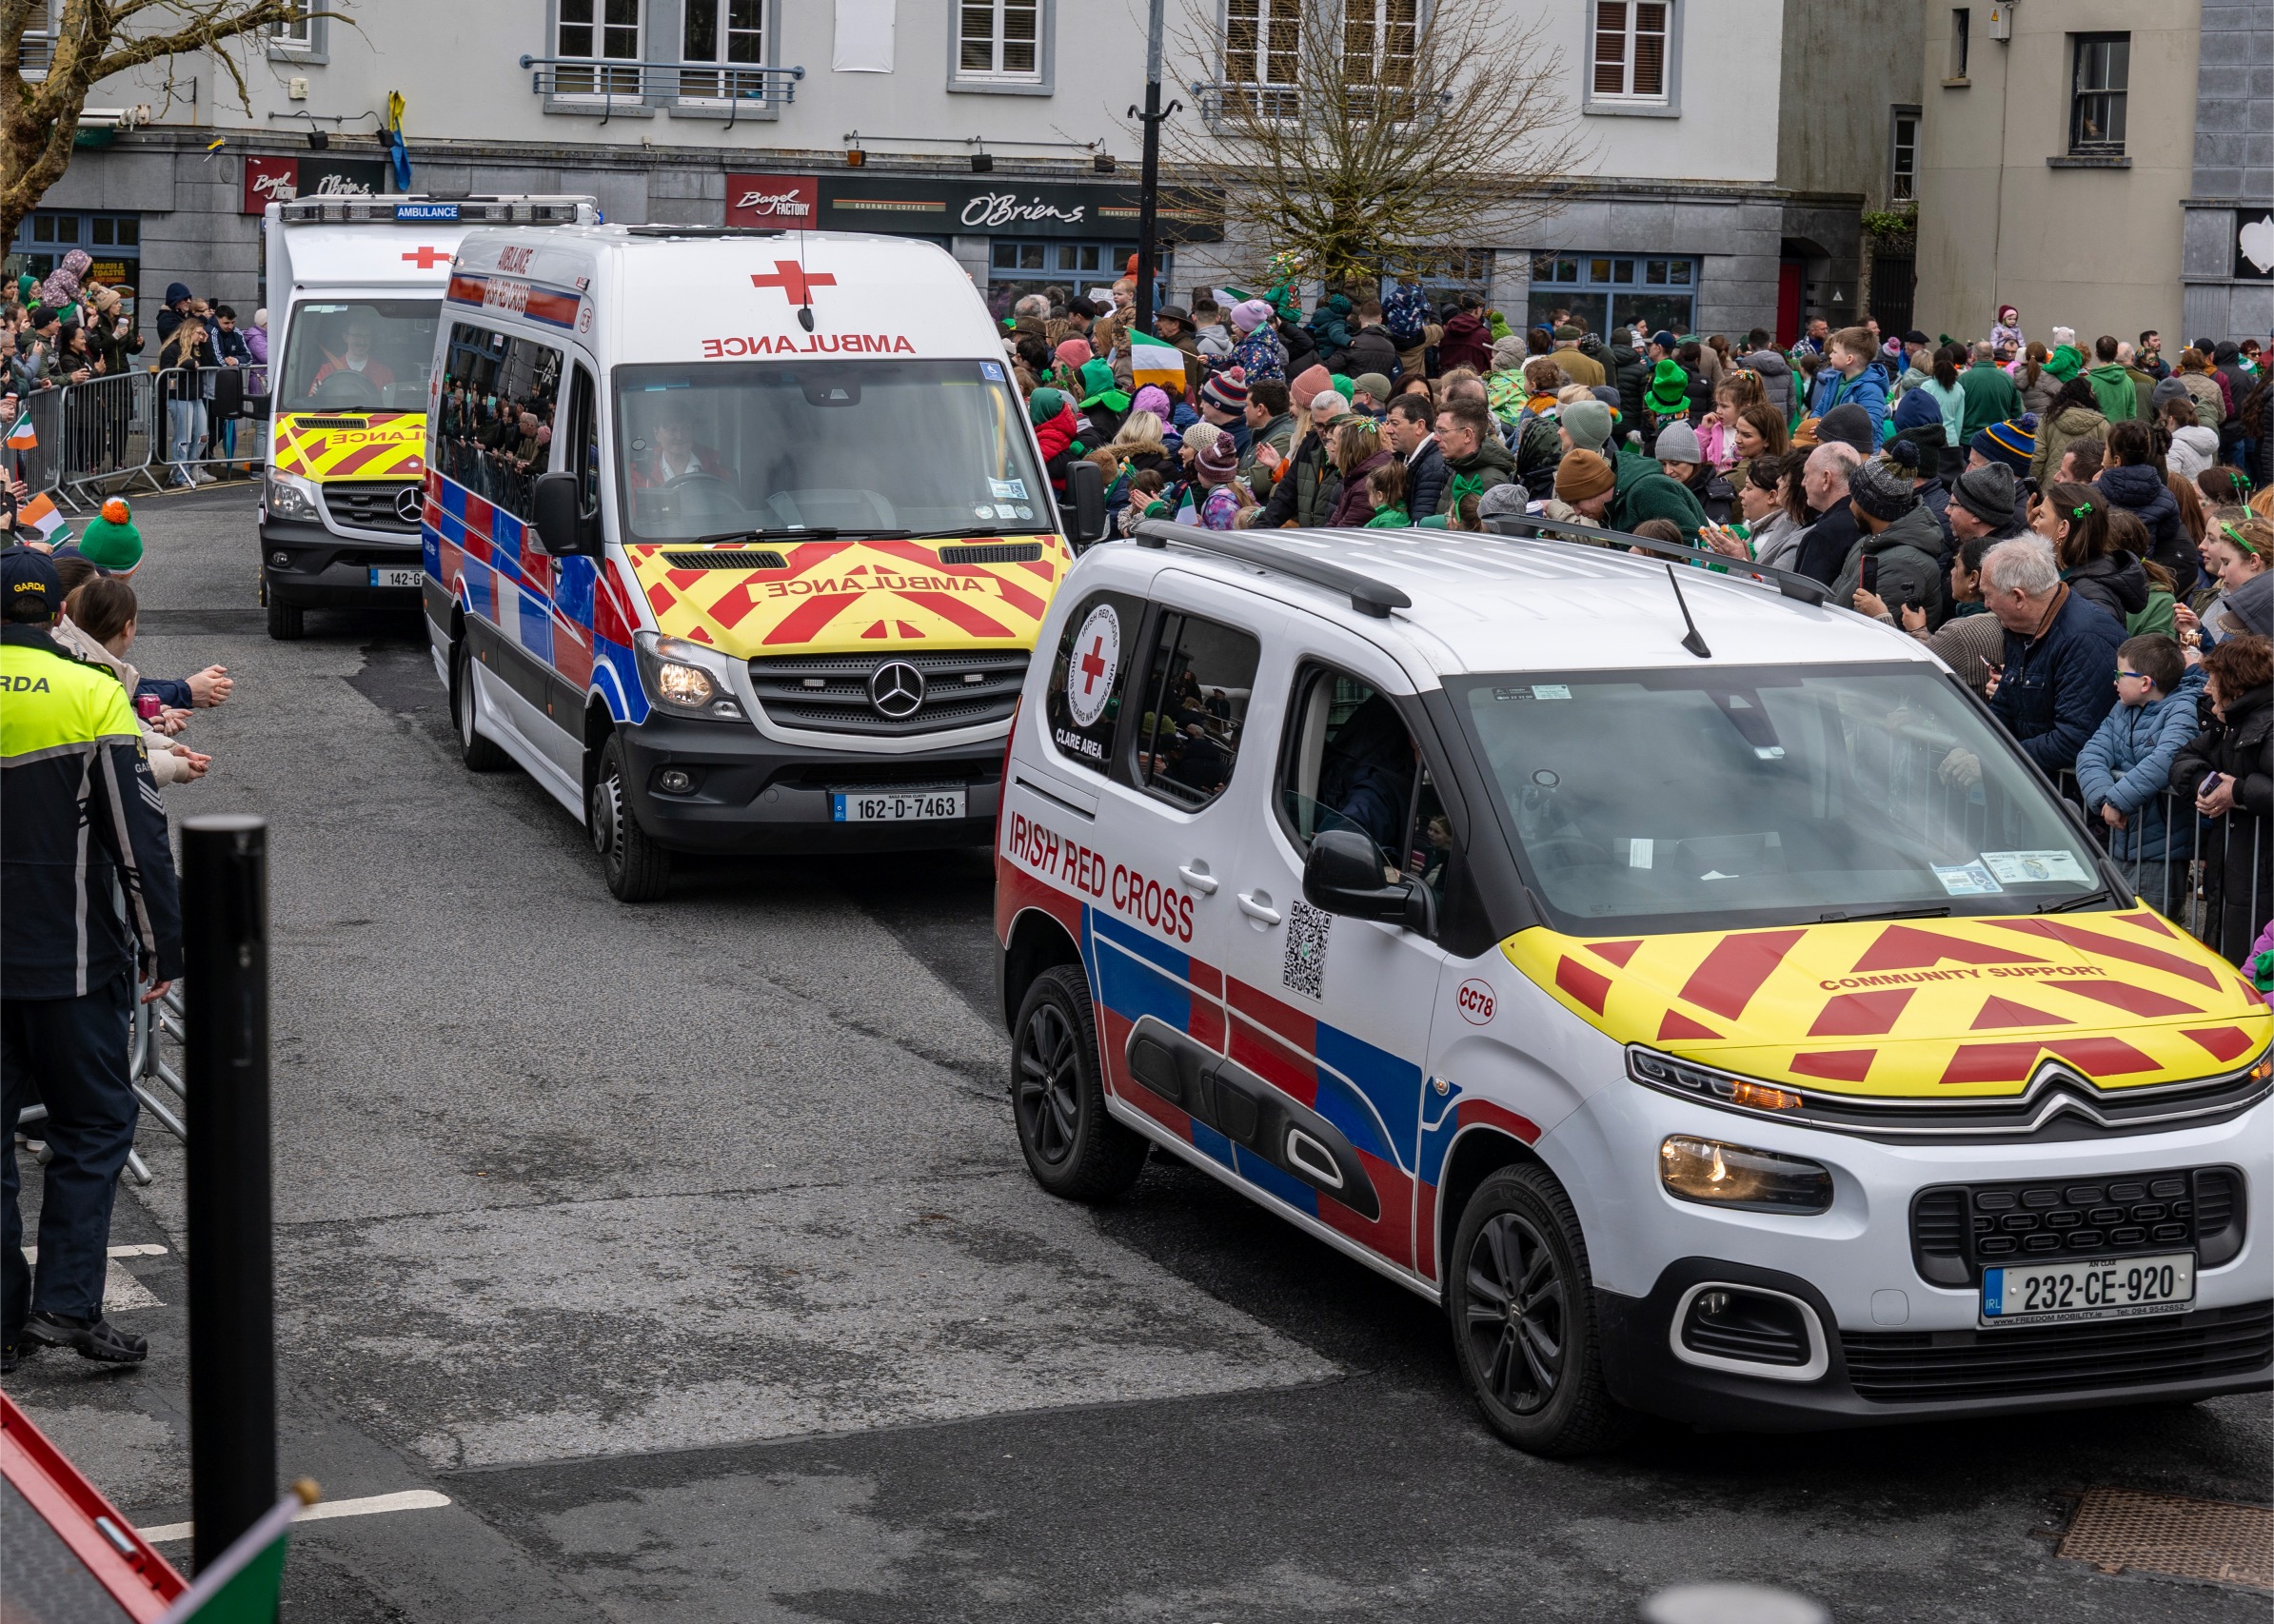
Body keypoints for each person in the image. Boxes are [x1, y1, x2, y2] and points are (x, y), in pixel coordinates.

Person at [1, 547, 183, 1373]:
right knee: (96, 1125)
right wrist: (161, 945)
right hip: (70, 962)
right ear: (57, 616)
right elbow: (137, 838)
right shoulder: (90, 692)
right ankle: (66, 1307)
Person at [2074, 634, 2204, 911]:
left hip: (2161, 850)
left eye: (2120, 674)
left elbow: (2167, 758)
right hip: (2120, 840)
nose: (2115, 681)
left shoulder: (2183, 710)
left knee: (2155, 925)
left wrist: (2118, 800)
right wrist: (2104, 799)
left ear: (2145, 683)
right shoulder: (2121, 709)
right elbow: (2091, 754)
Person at [1980, 535, 2126, 774]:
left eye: (1988, 594)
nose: (1986, 604)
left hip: (2071, 793)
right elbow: (2004, 706)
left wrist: (1997, 761)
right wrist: (1974, 747)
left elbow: (2074, 739)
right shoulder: (2021, 628)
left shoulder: (2085, 640)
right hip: (2035, 781)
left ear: (2018, 597)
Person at [2170, 635, 2273, 962]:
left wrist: (2237, 791)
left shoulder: (2265, 725)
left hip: (2262, 870)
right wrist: (2206, 783)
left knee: (2253, 961)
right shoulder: (2230, 722)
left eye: (2213, 681)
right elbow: (2184, 758)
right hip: (2234, 864)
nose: (2206, 688)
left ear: (2235, 688)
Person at [1894, 533, 2007, 695]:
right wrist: (1919, 630)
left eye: (1956, 565)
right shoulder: (2007, 619)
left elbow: (1911, 670)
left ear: (1973, 579)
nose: (1952, 572)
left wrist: (1880, 616)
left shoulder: (1962, 631)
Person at [1833, 459, 1945, 623]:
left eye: (1854, 498)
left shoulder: (1903, 565)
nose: (1850, 506)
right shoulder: (1871, 542)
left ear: (1869, 506)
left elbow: (1869, 630)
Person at [2033, 480, 2148, 628]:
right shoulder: (2070, 568)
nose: (2034, 523)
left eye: (2041, 516)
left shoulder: (2092, 597)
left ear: (2063, 529)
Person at [1553, 441, 1707, 545]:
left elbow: (1694, 542)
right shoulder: (1612, 508)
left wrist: (1643, 553)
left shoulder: (1648, 490)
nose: (1577, 512)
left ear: (1594, 488)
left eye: (1576, 502)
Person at [2094, 420, 2187, 590]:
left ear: (2116, 460)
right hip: (2141, 577)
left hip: (2099, 575)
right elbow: (2168, 532)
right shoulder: (2166, 497)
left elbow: (2078, 514)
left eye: (2106, 450)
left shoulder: (2093, 495)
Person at [1791, 441, 1865, 584]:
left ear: (1826, 479)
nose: (1803, 483)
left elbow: (1805, 594)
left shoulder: (1824, 535)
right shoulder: (1869, 520)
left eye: (1807, 475)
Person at [1429, 399, 1514, 521]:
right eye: (1436, 430)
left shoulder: (1491, 482)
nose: (1435, 438)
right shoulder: (1460, 466)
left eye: (1442, 431)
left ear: (1467, 435)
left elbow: (1485, 530)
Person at [1804, 327, 1889, 442]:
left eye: (1834, 352)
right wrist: (1815, 424)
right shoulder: (1834, 381)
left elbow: (1868, 427)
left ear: (1849, 359)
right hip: (1832, 443)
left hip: (1859, 450)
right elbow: (1819, 411)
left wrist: (1828, 431)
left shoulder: (1871, 389)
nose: (1830, 355)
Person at [2028, 375, 2108, 489]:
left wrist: (2038, 485)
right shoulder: (2101, 424)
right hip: (2086, 491)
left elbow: (2037, 456)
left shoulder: (2048, 420)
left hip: (2052, 486)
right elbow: (2106, 461)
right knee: (2081, 504)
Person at [1382, 395, 1447, 521]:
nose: (1388, 430)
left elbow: (1420, 524)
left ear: (1420, 426)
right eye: (1388, 423)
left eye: (1395, 423)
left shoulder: (1433, 468)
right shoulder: (1406, 457)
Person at [1325, 418, 1392, 527]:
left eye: (1335, 443)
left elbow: (1343, 533)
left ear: (1350, 448)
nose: (1332, 449)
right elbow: (1333, 525)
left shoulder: (1365, 488)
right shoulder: (1355, 478)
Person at [2161, 389, 2221, 485]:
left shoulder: (2174, 446)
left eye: (2163, 421)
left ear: (2171, 420)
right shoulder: (2204, 439)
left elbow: (2171, 485)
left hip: (2184, 494)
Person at [2082, 335, 2137, 423]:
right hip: (2120, 430)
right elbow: (2131, 415)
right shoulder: (2129, 381)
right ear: (2116, 353)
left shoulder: (2086, 381)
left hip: (2096, 430)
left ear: (2096, 353)